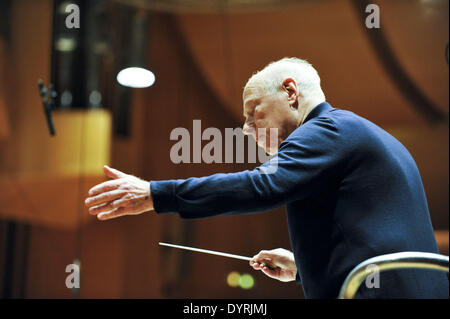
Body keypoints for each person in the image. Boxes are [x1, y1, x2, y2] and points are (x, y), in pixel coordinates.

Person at [84, 57, 448, 299]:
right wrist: (303, 268)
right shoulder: (355, 133)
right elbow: (368, 234)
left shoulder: (328, 130)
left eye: (253, 112)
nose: (245, 129)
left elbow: (261, 185)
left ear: (291, 92)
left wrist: (153, 194)